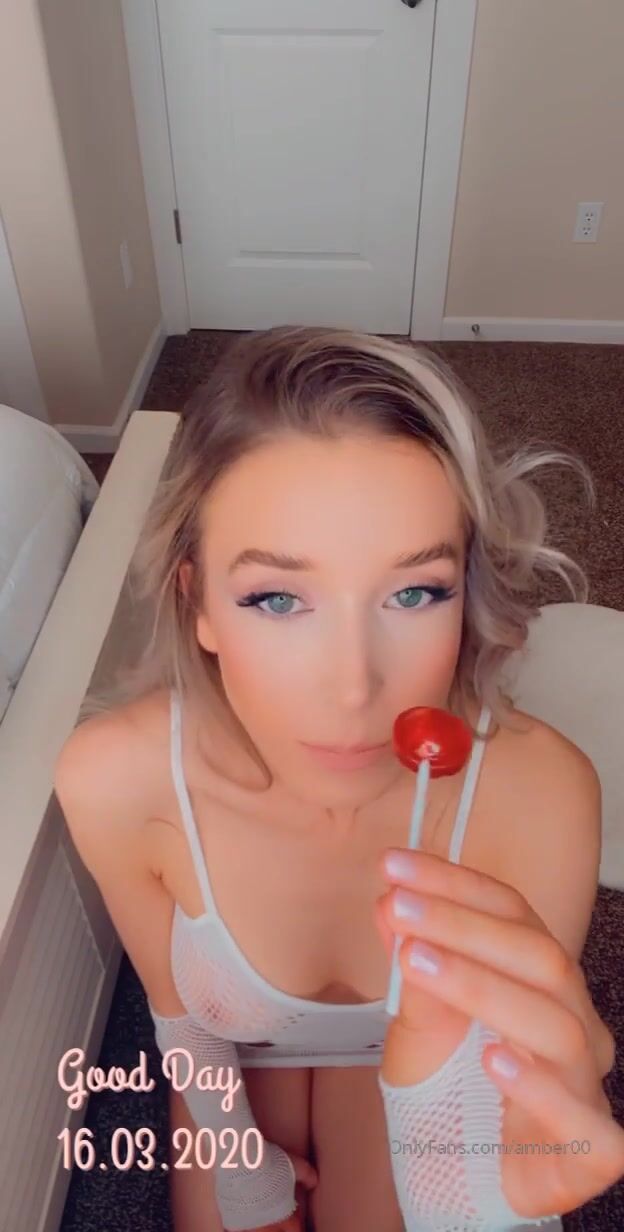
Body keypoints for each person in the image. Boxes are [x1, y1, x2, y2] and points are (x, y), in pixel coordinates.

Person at [54, 327, 623, 1232]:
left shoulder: (545, 794)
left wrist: (471, 1204)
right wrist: (243, 1170)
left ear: (466, 591)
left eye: (415, 592)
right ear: (198, 602)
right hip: (238, 1058)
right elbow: (184, 1023)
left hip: (409, 1064)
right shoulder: (115, 779)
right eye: (277, 598)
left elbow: (504, 1086)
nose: (355, 687)